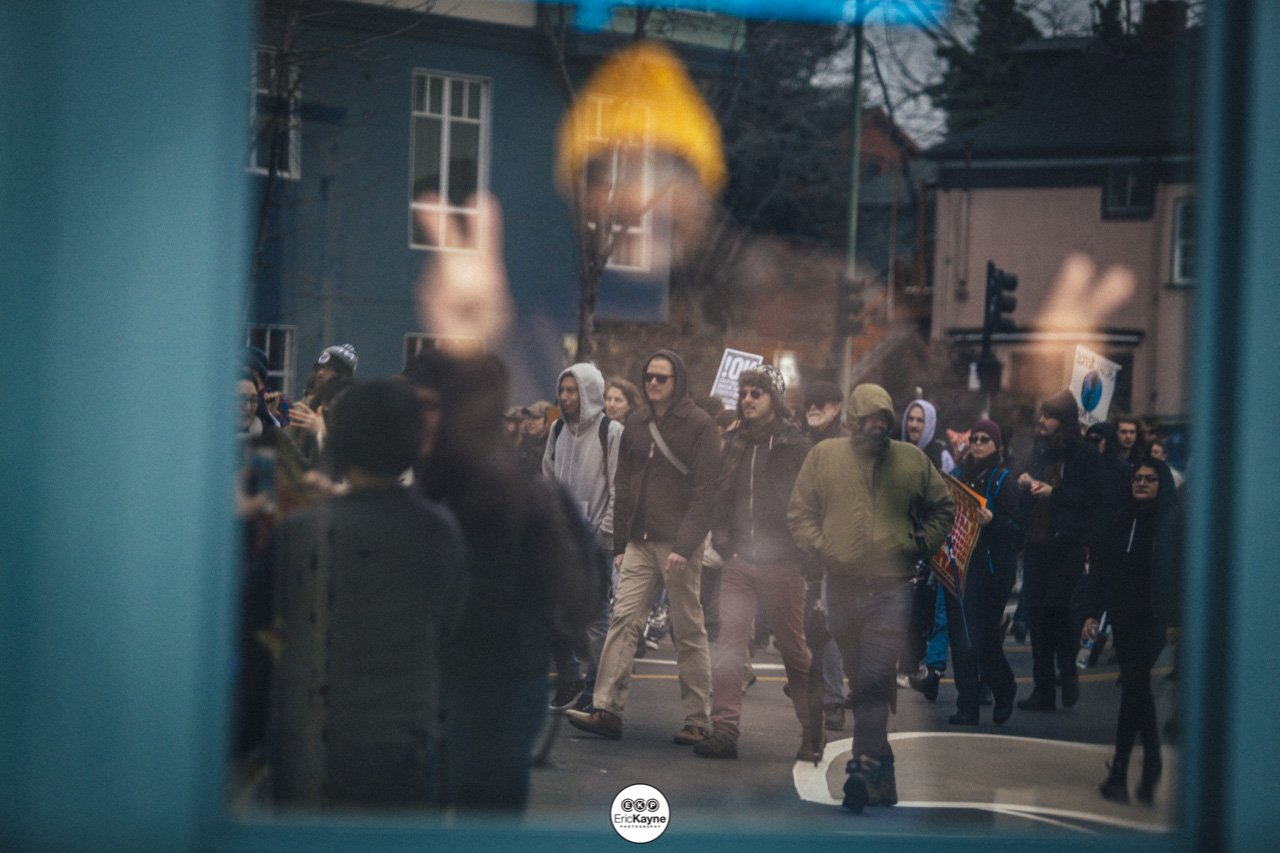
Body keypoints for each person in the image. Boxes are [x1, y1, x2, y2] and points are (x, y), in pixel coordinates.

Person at [407, 351, 604, 811]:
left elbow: (488, 599)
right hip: (494, 678)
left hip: (493, 681)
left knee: (477, 812)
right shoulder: (448, 476)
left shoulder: (491, 488)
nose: (421, 419)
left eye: (434, 406)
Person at [271, 378, 465, 810]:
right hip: (403, 739)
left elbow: (255, 616)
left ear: (340, 440)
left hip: (312, 741)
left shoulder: (304, 530)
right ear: (414, 443)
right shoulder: (438, 531)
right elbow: (452, 626)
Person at [788, 384, 955, 813]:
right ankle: (885, 776)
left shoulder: (912, 460)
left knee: (875, 678)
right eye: (870, 420)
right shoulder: (825, 456)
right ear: (856, 420)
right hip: (842, 587)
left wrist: (918, 542)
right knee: (861, 677)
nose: (877, 427)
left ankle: (861, 769)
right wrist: (823, 546)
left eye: (884, 420)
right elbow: (799, 511)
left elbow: (943, 508)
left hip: (892, 589)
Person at [567, 350, 721, 744]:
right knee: (623, 622)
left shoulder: (701, 426)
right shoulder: (635, 422)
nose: (652, 382)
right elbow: (624, 484)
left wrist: (685, 547)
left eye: (661, 378)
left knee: (688, 631)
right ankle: (606, 709)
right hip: (638, 541)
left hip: (679, 545)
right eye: (649, 376)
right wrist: (620, 543)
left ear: (678, 381)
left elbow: (706, 495)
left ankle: (697, 720)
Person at [694, 366, 815, 761]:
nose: (746, 399)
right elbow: (719, 494)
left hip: (783, 563)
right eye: (744, 392)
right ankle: (724, 731)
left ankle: (811, 729)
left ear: (773, 400)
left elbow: (812, 502)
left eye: (756, 393)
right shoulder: (734, 442)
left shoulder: (796, 445)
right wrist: (726, 542)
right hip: (740, 560)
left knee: (794, 650)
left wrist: (802, 553)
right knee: (729, 645)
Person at [1084, 459, 1181, 805]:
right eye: (1137, 478)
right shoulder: (1120, 519)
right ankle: (1150, 760)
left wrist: (1175, 618)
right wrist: (1093, 613)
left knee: (1135, 687)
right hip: (1123, 618)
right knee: (1136, 690)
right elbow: (1101, 569)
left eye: (1150, 479)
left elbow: (1180, 574)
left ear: (1161, 484)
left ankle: (1121, 771)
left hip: (1154, 618)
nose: (1141, 483)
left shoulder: (1173, 523)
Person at [543, 363, 622, 713]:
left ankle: (593, 690)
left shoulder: (611, 430)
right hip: (560, 540)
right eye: (562, 390)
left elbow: (619, 487)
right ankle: (570, 676)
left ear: (588, 391)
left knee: (597, 617)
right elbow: (547, 479)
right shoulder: (557, 428)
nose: (564, 397)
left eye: (572, 390)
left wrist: (604, 533)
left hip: (596, 541)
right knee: (548, 609)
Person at [1016, 389, 1102, 712]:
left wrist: (1056, 492)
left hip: (1068, 545)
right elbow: (1029, 486)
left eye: (1047, 417)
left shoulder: (1086, 455)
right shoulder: (1041, 451)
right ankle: (1043, 690)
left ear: (1064, 422)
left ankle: (1067, 671)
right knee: (1038, 617)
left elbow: (1092, 498)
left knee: (1057, 609)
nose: (1041, 422)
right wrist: (1026, 480)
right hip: (1038, 543)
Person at [941, 419, 1023, 726]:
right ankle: (968, 708)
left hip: (992, 571)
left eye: (985, 439)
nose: (977, 443)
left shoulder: (1004, 480)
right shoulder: (956, 475)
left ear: (996, 446)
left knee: (986, 637)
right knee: (962, 640)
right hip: (959, 567)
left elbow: (1018, 529)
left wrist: (993, 521)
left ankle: (1004, 688)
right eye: (974, 438)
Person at [900, 397, 956, 703]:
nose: (913, 425)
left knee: (923, 605)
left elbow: (949, 502)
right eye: (911, 418)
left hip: (929, 543)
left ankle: (916, 666)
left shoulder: (941, 457)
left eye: (920, 420)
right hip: (901, 539)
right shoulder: (896, 451)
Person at [285, 344, 358, 471]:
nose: (320, 373)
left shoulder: (355, 410)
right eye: (319, 368)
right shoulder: (302, 407)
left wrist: (322, 433)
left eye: (329, 368)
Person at [516, 400, 553, 478]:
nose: (529, 422)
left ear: (549, 420)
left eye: (535, 417)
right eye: (528, 417)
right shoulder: (523, 447)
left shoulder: (557, 448)